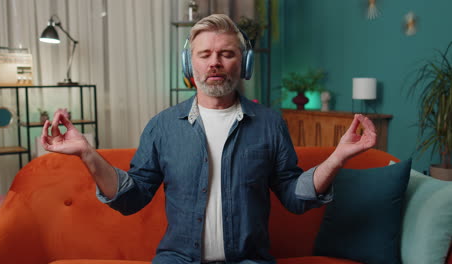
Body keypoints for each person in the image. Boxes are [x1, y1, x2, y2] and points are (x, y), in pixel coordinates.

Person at [41, 14, 376, 264]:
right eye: (205, 54)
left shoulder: (270, 124)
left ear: (243, 64)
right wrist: (87, 152)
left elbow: (293, 196)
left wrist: (337, 157)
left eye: (227, 54)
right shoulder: (162, 126)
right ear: (190, 64)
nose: (215, 62)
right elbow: (132, 197)